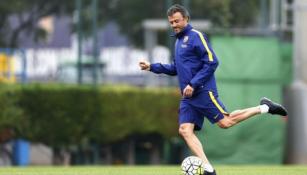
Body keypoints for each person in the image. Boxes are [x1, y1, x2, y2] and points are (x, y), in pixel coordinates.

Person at [139, 4, 287, 175]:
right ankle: (209, 169)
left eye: (177, 21)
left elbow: (212, 61)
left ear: (186, 19)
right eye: (171, 22)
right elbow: (175, 68)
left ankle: (265, 107)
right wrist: (152, 67)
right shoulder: (178, 42)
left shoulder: (196, 36)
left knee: (226, 122)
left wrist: (193, 84)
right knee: (185, 130)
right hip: (188, 97)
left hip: (202, 91)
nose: (174, 25)